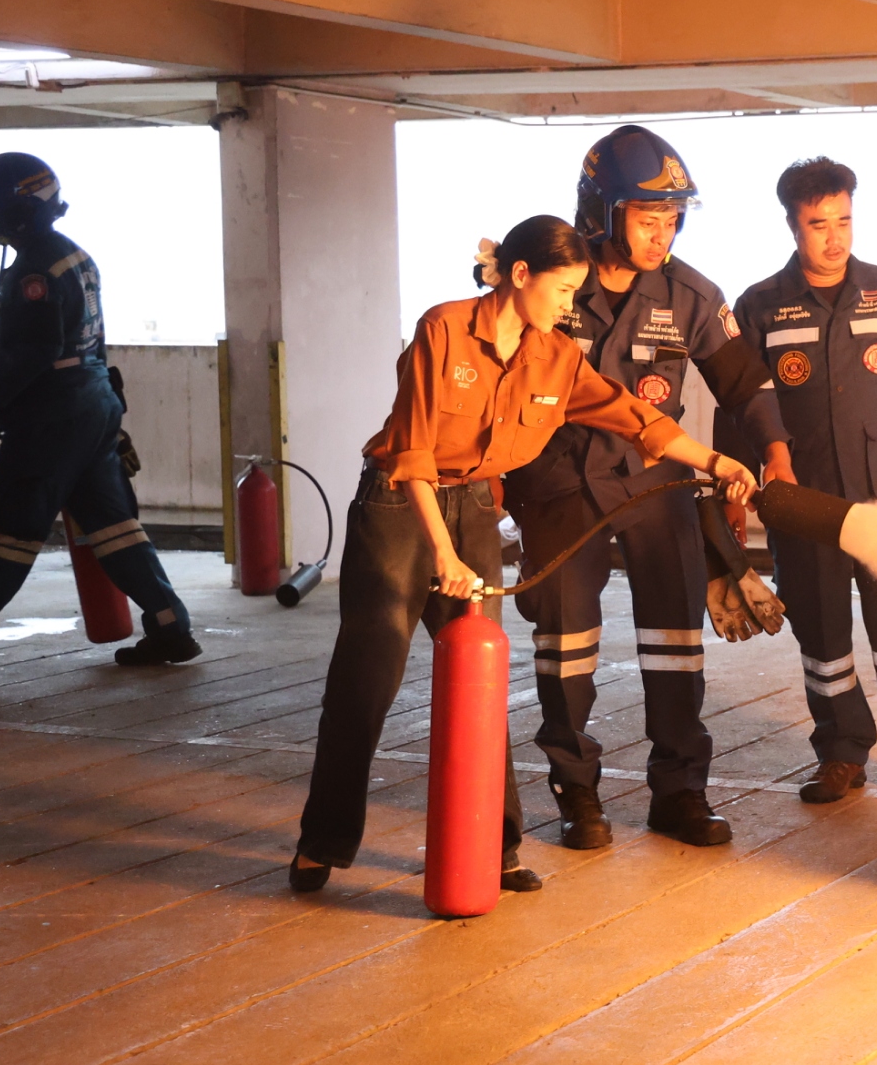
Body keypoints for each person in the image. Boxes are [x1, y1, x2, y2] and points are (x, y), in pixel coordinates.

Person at [288, 215, 756, 896]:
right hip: (400, 508)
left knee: (480, 683)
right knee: (367, 678)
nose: (569, 306)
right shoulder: (444, 329)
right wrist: (444, 555)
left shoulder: (555, 357)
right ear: (519, 274)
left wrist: (717, 462)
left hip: (475, 505)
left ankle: (496, 849)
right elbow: (412, 453)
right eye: (562, 290)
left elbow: (634, 416)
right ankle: (322, 843)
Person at [503, 126, 794, 852]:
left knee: (674, 643)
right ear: (601, 211)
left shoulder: (691, 295)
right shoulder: (551, 282)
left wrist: (776, 457)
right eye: (647, 217)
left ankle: (680, 792)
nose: (662, 233)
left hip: (655, 484)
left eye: (673, 218)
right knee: (566, 648)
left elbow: (745, 384)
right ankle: (576, 792)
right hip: (558, 483)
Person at [725, 158, 877, 805]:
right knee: (821, 630)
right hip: (807, 504)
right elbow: (741, 404)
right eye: (818, 224)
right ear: (792, 225)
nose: (834, 238)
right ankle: (840, 752)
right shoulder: (760, 306)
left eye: (844, 220)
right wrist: (732, 486)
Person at [0, 152, 198, 680]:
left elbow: (38, 350)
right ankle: (170, 626)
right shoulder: (73, 255)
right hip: (92, 405)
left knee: (9, 533)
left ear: (23, 210)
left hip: (52, 419)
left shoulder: (35, 268)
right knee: (113, 528)